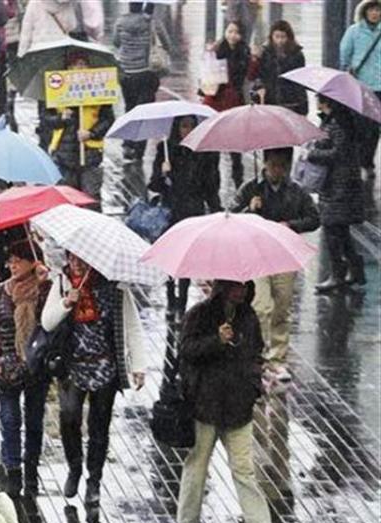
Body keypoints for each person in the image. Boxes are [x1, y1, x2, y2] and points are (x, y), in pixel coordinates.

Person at [175, 280, 286, 523]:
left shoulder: (247, 317)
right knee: (197, 465)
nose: (240, 291)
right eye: (235, 286)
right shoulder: (199, 314)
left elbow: (256, 353)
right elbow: (186, 350)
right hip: (206, 405)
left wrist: (254, 384)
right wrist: (217, 341)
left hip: (238, 406)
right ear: (223, 287)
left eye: (244, 286)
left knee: (244, 468)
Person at [41, 252, 148, 505]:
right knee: (69, 416)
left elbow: (132, 325)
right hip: (73, 365)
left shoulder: (115, 287)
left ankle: (94, 480)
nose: (77, 264)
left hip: (104, 365)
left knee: (100, 426)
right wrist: (67, 303)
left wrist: (139, 365)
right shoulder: (63, 282)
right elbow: (47, 322)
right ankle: (74, 466)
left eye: (83, 260)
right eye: (73, 259)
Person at [230, 148, 319, 381]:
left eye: (282, 166)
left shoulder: (296, 191)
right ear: (265, 164)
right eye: (273, 165)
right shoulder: (251, 188)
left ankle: (278, 359)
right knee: (261, 306)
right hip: (257, 254)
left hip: (284, 254)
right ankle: (257, 356)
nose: (277, 170)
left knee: (282, 306)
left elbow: (314, 218)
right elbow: (230, 213)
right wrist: (250, 208)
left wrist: (291, 225)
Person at [0, 240, 50, 498]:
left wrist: (45, 284)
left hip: (37, 368)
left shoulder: (45, 291)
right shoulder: (0, 293)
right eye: (11, 261)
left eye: (19, 260)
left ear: (34, 262)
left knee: (34, 422)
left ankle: (31, 468)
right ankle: (13, 469)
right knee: (9, 419)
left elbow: (53, 321)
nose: (13, 265)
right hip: (6, 368)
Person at [148, 115, 222, 316]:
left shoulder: (206, 153)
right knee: (171, 255)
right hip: (171, 210)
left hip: (193, 210)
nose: (187, 131)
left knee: (187, 256)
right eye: (183, 126)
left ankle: (183, 297)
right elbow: (153, 185)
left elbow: (212, 186)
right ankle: (171, 295)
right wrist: (163, 174)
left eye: (191, 126)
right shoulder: (166, 150)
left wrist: (217, 211)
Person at [307, 95, 366, 293]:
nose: (317, 102)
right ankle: (355, 270)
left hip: (339, 186)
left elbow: (337, 153)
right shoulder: (335, 120)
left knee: (332, 229)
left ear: (327, 102)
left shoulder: (339, 123)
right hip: (338, 184)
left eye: (319, 100)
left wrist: (312, 154)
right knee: (340, 230)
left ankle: (337, 275)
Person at [41, 55, 114, 203]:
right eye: (75, 64)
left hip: (90, 153)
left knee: (91, 198)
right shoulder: (56, 90)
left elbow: (108, 119)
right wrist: (61, 118)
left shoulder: (99, 89)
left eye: (83, 64)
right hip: (64, 154)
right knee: (67, 199)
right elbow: (46, 119)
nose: (80, 68)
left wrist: (91, 133)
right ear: (68, 69)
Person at [202, 21, 257, 188]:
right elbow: (206, 74)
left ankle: (238, 183)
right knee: (213, 147)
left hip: (235, 101)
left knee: (235, 148)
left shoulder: (245, 52)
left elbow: (250, 76)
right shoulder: (217, 50)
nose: (233, 35)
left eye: (236, 32)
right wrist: (208, 54)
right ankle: (212, 185)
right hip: (215, 102)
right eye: (230, 31)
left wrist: (254, 59)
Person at [113, 2, 171, 160]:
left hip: (126, 72)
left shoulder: (120, 22)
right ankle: (139, 149)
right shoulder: (151, 22)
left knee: (129, 108)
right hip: (146, 73)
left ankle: (128, 144)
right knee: (144, 111)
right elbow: (167, 44)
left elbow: (116, 42)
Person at [340, 0, 381, 177]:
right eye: (372, 9)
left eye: (378, 10)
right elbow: (344, 55)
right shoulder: (354, 31)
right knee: (361, 126)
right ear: (365, 11)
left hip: (379, 86)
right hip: (360, 86)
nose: (375, 13)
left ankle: (367, 161)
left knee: (374, 127)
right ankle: (360, 161)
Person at [247, 20, 307, 115]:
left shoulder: (297, 55)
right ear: (272, 37)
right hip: (269, 100)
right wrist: (255, 59)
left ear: (289, 37)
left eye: (283, 37)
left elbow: (300, 82)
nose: (280, 41)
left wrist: (303, 106)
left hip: (290, 102)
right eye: (277, 37)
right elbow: (255, 76)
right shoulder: (265, 53)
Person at [19, 0, 103, 54]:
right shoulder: (67, 5)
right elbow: (72, 25)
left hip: (39, 48)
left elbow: (26, 31)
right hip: (61, 46)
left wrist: (21, 52)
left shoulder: (34, 3)